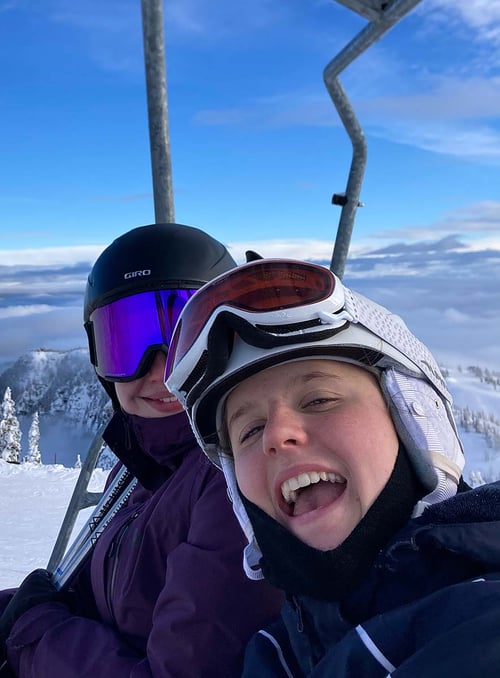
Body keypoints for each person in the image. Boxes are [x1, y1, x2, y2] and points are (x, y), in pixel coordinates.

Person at [165, 256, 500, 677]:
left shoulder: (479, 623)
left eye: (319, 399)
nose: (276, 436)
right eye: (250, 430)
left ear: (414, 421)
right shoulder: (277, 653)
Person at [0, 224, 282, 677]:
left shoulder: (235, 483)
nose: (160, 372)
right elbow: (94, 597)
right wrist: (23, 612)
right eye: (126, 344)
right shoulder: (142, 465)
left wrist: (37, 633)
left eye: (185, 343)